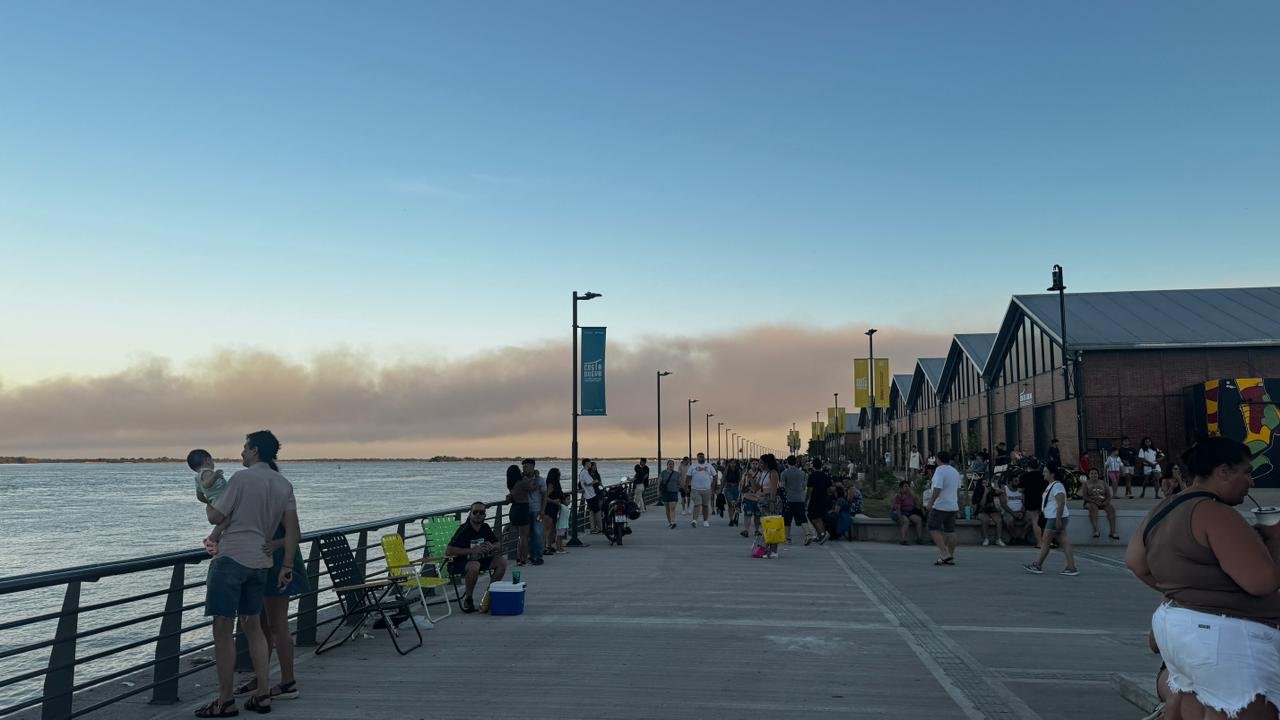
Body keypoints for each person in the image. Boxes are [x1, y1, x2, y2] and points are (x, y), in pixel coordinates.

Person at [1125, 437, 1280, 720]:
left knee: (1199, 707)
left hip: (1179, 629)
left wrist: (1185, 590)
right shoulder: (1214, 512)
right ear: (1223, 472)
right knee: (1248, 710)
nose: (1251, 482)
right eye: (1246, 472)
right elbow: (1263, 582)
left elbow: (1136, 562)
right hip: (1223, 638)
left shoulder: (1165, 508)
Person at [196, 431, 297, 718]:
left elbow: (216, 517)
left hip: (231, 559)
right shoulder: (283, 484)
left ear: (254, 450)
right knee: (254, 627)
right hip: (261, 563)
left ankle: (225, 701)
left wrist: (206, 499)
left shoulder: (241, 479)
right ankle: (262, 694)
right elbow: (291, 531)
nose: (241, 453)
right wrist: (287, 566)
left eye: (244, 448)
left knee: (223, 629)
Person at [446, 502, 509, 613]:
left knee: (502, 562)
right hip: (460, 562)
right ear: (470, 514)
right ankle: (468, 599)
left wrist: (492, 546)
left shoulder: (485, 527)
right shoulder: (464, 530)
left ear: (485, 515)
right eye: (475, 512)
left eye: (481, 512)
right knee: (475, 565)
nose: (478, 515)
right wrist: (472, 550)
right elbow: (449, 551)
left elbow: (498, 544)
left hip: (481, 559)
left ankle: (489, 595)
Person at [1023, 467, 1078, 575]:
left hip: (1054, 517)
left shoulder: (1057, 486)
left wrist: (1058, 519)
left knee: (1046, 541)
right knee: (1063, 541)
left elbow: (1061, 503)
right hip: (1054, 516)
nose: (1043, 474)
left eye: (1045, 472)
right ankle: (1071, 567)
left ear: (1052, 474)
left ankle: (1038, 565)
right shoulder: (1052, 485)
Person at [187, 449, 229, 556]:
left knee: (223, 523)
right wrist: (215, 476)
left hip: (214, 502)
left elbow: (199, 495)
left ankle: (216, 540)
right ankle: (212, 539)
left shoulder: (197, 477)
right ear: (207, 460)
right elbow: (206, 484)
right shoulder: (207, 472)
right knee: (229, 519)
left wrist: (209, 502)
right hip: (221, 501)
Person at [927, 451, 962, 566]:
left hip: (941, 505)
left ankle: (944, 552)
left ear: (938, 459)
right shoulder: (955, 472)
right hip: (952, 505)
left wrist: (930, 502)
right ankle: (949, 556)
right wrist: (957, 504)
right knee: (950, 531)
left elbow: (937, 488)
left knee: (933, 527)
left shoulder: (939, 470)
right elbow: (958, 490)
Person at [506, 464, 538, 566]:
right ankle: (524, 559)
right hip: (522, 509)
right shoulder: (521, 483)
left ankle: (519, 559)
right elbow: (533, 487)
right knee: (524, 536)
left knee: (520, 536)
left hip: (514, 509)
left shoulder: (511, 484)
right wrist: (536, 477)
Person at [780, 455, 811, 544]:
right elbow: (804, 486)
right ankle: (808, 534)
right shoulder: (802, 473)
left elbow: (782, 486)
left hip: (788, 499)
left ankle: (787, 538)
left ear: (787, 462)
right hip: (799, 499)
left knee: (787, 519)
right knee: (802, 518)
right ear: (796, 462)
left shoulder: (784, 473)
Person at [1082, 468, 1119, 540]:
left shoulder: (1103, 483)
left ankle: (1113, 532)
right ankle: (1096, 530)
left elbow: (1108, 496)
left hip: (1103, 502)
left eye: (1095, 473)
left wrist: (1105, 502)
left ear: (1098, 475)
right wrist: (1094, 502)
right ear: (1089, 475)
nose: (1094, 475)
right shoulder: (1086, 483)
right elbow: (1085, 497)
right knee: (1093, 508)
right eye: (1092, 473)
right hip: (1090, 502)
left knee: (1111, 509)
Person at [522, 459, 547, 566]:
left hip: (537, 510)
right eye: (523, 466)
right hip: (525, 510)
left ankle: (538, 556)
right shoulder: (521, 480)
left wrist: (542, 510)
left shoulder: (540, 480)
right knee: (527, 535)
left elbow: (544, 496)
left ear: (532, 467)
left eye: (526, 466)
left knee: (537, 533)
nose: (524, 468)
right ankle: (530, 556)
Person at [758, 454, 782, 558]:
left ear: (766, 463)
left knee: (772, 526)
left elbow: (773, 489)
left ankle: (774, 551)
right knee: (767, 526)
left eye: (761, 463)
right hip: (763, 501)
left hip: (771, 501)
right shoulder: (763, 473)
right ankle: (768, 549)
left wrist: (772, 502)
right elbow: (757, 487)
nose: (759, 465)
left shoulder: (773, 473)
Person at [806, 457, 834, 545]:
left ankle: (823, 533)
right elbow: (830, 489)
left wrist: (807, 499)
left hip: (815, 498)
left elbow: (809, 489)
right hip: (824, 498)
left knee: (812, 516)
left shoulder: (812, 476)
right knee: (819, 516)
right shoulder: (825, 475)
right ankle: (819, 535)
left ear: (813, 466)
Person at [1000, 474, 1034, 545]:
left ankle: (1022, 536)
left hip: (1020, 512)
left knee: (1032, 518)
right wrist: (1013, 513)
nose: (1018, 482)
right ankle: (1014, 537)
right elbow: (1003, 505)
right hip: (1008, 512)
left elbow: (1024, 503)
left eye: (1018, 481)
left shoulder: (1021, 490)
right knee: (1009, 521)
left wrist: (1022, 512)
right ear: (1010, 482)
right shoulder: (1004, 490)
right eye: (1015, 481)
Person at [1019, 459, 1047, 547]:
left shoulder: (1025, 476)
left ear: (1028, 467)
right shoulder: (1043, 475)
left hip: (1030, 499)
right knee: (1043, 520)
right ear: (1038, 467)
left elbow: (1021, 489)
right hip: (1042, 499)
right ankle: (1046, 541)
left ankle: (1040, 542)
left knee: (1035, 520)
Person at [972, 476, 1005, 547]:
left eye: (986, 482)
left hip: (991, 510)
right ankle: (986, 539)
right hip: (981, 510)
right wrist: (985, 493)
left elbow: (999, 491)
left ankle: (998, 539)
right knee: (985, 520)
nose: (985, 484)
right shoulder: (977, 492)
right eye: (983, 483)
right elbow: (982, 504)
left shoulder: (990, 489)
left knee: (999, 520)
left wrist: (997, 488)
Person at [687, 452, 718, 528]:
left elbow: (715, 476)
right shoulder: (693, 466)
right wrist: (686, 487)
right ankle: (694, 520)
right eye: (700, 457)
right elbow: (688, 476)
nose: (702, 458)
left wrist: (713, 487)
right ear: (697, 458)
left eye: (702, 457)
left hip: (706, 489)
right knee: (697, 504)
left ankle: (705, 521)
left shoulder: (709, 466)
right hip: (695, 489)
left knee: (705, 505)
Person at [739, 459, 762, 539]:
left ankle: (757, 530)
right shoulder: (746, 474)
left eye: (756, 463)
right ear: (750, 464)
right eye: (753, 463)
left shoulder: (761, 474)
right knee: (747, 514)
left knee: (757, 515)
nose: (755, 465)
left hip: (758, 497)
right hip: (748, 497)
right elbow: (742, 485)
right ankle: (746, 530)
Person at [543, 469, 564, 555]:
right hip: (549, 507)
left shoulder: (556, 484)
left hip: (555, 508)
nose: (560, 475)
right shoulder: (551, 485)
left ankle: (549, 545)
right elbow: (545, 497)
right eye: (558, 474)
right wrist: (553, 501)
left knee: (552, 528)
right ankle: (545, 547)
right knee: (548, 527)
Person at [579, 459, 602, 534]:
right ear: (586, 463)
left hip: (589, 495)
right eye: (589, 463)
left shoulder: (583, 472)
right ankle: (601, 528)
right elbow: (588, 483)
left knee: (592, 512)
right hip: (591, 495)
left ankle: (593, 528)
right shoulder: (585, 472)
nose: (590, 464)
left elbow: (584, 483)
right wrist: (595, 481)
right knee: (597, 511)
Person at [658, 459, 681, 529]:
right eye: (670, 464)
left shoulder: (677, 474)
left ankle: (673, 522)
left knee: (672, 508)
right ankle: (670, 522)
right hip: (665, 492)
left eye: (672, 464)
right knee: (667, 509)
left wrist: (679, 488)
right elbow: (659, 483)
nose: (671, 465)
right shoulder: (663, 473)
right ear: (667, 465)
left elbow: (679, 482)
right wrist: (658, 491)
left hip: (674, 492)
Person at [722, 459, 742, 526]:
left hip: (736, 488)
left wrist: (741, 489)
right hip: (728, 488)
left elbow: (741, 480)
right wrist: (721, 489)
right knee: (730, 503)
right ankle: (731, 519)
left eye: (734, 463)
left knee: (735, 504)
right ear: (729, 464)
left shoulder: (738, 470)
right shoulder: (727, 470)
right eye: (731, 463)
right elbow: (723, 480)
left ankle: (733, 518)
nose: (733, 464)